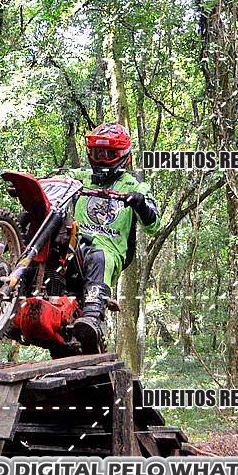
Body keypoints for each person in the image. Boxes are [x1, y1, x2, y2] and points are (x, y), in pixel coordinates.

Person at [68, 122, 160, 352]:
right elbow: (60, 180)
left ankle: (92, 317)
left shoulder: (133, 185)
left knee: (98, 257)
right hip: (75, 244)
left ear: (122, 156)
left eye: (108, 154)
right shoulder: (81, 177)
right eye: (97, 152)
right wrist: (36, 186)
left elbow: (154, 226)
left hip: (110, 249)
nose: (101, 159)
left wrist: (141, 204)